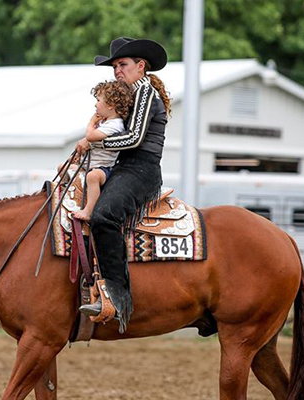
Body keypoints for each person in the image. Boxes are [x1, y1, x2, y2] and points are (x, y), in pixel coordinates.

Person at [76, 37, 172, 333]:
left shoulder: (145, 93)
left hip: (141, 169)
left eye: (123, 64)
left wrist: (93, 141)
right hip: (122, 168)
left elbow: (134, 139)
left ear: (140, 66)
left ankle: (117, 298)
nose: (117, 70)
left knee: (104, 216)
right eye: (115, 66)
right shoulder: (132, 95)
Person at [72, 81, 133, 221]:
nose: (95, 104)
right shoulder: (105, 123)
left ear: (111, 105)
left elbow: (91, 137)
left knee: (92, 177)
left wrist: (91, 122)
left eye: (98, 100)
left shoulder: (115, 124)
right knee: (64, 168)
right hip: (90, 165)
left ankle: (89, 210)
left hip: (103, 168)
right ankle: (73, 198)